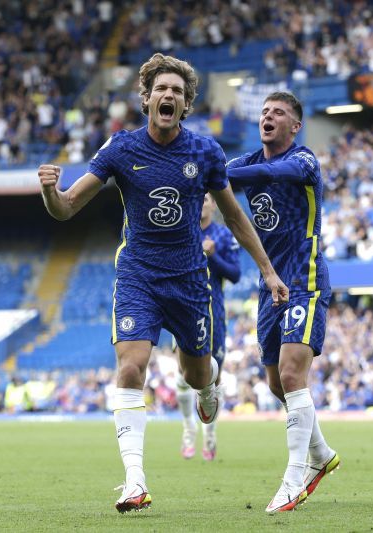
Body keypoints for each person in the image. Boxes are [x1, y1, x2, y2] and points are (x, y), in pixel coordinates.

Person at [37, 53, 288, 513]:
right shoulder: (120, 149)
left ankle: (210, 387)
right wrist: (51, 190)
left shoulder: (205, 152)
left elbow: (234, 216)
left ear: (186, 104)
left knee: (194, 375)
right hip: (138, 274)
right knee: (131, 366)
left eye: (177, 90)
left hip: (191, 280)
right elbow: (68, 207)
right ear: (146, 99)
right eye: (161, 89)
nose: (168, 95)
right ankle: (135, 480)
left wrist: (268, 270)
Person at [225, 91, 340, 513]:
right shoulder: (245, 164)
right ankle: (322, 455)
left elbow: (283, 171)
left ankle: (293, 479)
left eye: (279, 113)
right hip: (269, 281)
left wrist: (235, 173)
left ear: (295, 126)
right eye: (265, 112)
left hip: (304, 274)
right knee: (276, 383)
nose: (268, 117)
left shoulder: (306, 160)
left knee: (293, 375)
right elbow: (216, 174)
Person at [177, 193, 241, 461]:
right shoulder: (183, 232)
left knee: (213, 378)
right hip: (185, 309)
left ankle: (210, 433)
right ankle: (188, 429)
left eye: (206, 199)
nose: (202, 203)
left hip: (214, 313)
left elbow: (235, 274)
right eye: (198, 199)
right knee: (183, 375)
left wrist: (213, 255)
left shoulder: (224, 236)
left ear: (214, 203)